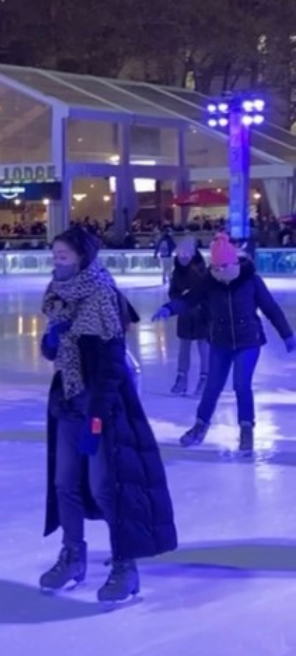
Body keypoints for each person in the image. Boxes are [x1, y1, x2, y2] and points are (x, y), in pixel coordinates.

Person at [40, 227, 176, 603]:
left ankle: (124, 567)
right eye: (54, 256)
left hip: (100, 404)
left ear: (82, 257)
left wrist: (97, 417)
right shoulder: (57, 294)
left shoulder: (102, 296)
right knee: (64, 484)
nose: (57, 262)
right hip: (67, 400)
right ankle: (72, 556)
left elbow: (113, 363)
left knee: (106, 487)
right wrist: (50, 341)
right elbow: (53, 351)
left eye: (63, 256)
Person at [154, 233, 295, 452]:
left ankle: (246, 429)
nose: (220, 273)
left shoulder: (251, 281)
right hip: (220, 342)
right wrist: (169, 308)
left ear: (235, 263)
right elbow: (190, 299)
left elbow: (271, 308)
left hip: (248, 342)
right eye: (216, 268)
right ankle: (200, 426)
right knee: (212, 386)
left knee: (241, 385)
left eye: (224, 267)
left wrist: (287, 335)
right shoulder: (209, 281)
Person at [168, 237, 210, 397]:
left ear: (192, 254)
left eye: (186, 253)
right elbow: (172, 292)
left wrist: (196, 300)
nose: (182, 256)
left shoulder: (202, 270)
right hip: (185, 315)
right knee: (183, 347)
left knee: (203, 347)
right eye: (180, 253)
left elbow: (208, 292)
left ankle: (204, 379)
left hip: (202, 315)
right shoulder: (176, 272)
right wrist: (180, 299)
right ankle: (181, 377)